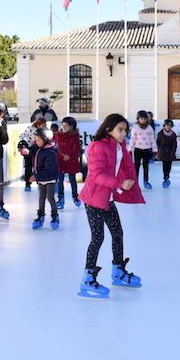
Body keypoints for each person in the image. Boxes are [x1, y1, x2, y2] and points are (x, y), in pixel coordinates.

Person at [77, 114, 145, 298]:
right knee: (97, 238)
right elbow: (96, 175)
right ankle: (87, 279)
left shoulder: (118, 146)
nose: (124, 134)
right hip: (93, 199)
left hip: (107, 198)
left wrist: (127, 185)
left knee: (117, 233)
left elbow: (124, 168)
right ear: (109, 129)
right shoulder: (97, 146)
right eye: (120, 130)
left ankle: (117, 271)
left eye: (125, 130)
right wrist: (120, 184)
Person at [30, 129, 60, 230]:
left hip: (50, 178)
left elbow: (49, 169)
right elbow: (31, 151)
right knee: (41, 198)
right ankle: (40, 216)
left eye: (38, 140)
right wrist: (24, 149)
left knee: (50, 197)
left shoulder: (50, 152)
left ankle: (55, 217)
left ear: (45, 140)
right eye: (35, 140)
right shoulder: (40, 148)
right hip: (41, 178)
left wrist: (36, 177)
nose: (36, 142)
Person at [54, 116, 83, 209]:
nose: (63, 128)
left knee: (72, 180)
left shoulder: (75, 136)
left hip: (71, 161)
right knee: (60, 180)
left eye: (66, 126)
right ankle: (60, 199)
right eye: (62, 125)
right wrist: (60, 154)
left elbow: (77, 148)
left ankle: (75, 197)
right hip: (60, 160)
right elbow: (55, 145)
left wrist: (69, 155)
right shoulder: (58, 135)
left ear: (71, 127)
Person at [128, 110, 157, 189]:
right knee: (136, 166)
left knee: (146, 166)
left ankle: (146, 181)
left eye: (144, 119)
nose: (143, 120)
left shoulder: (149, 128)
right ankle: (135, 182)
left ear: (147, 119)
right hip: (137, 150)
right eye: (141, 119)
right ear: (138, 119)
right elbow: (132, 139)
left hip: (146, 150)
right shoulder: (135, 128)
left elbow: (152, 139)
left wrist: (154, 149)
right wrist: (130, 150)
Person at [19, 117, 48, 191]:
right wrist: (25, 144)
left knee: (36, 166)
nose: (44, 126)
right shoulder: (32, 129)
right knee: (29, 167)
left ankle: (38, 182)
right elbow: (22, 136)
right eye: (43, 125)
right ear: (39, 124)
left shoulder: (42, 130)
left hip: (35, 149)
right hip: (29, 149)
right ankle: (28, 184)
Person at [156, 119, 178, 188]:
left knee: (169, 166)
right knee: (164, 166)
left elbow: (175, 144)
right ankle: (165, 178)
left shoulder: (173, 134)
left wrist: (173, 152)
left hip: (170, 153)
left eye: (170, 126)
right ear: (164, 126)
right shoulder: (160, 133)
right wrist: (159, 150)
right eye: (167, 125)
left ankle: (167, 176)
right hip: (163, 152)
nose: (168, 127)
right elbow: (158, 142)